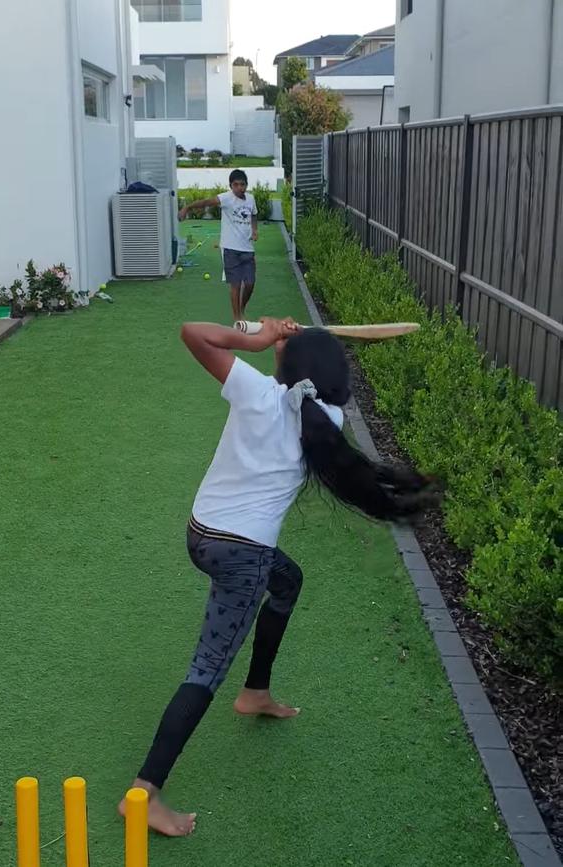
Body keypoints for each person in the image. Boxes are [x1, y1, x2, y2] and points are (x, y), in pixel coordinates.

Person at [119, 318, 435, 837]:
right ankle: (143, 794)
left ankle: (256, 693)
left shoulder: (257, 392)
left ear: (286, 367)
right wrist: (285, 343)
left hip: (202, 535)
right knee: (204, 672)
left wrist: (261, 336)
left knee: (288, 582)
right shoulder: (327, 418)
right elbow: (297, 391)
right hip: (242, 555)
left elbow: (194, 333)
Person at [178, 170, 258, 320]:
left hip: (247, 248)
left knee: (250, 284)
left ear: (246, 185)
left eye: (242, 184)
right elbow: (205, 202)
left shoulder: (251, 199)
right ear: (230, 186)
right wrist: (187, 208)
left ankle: (242, 308)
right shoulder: (225, 198)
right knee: (235, 284)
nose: (239, 188)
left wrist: (254, 230)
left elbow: (254, 214)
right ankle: (237, 318)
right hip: (230, 248)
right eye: (236, 185)